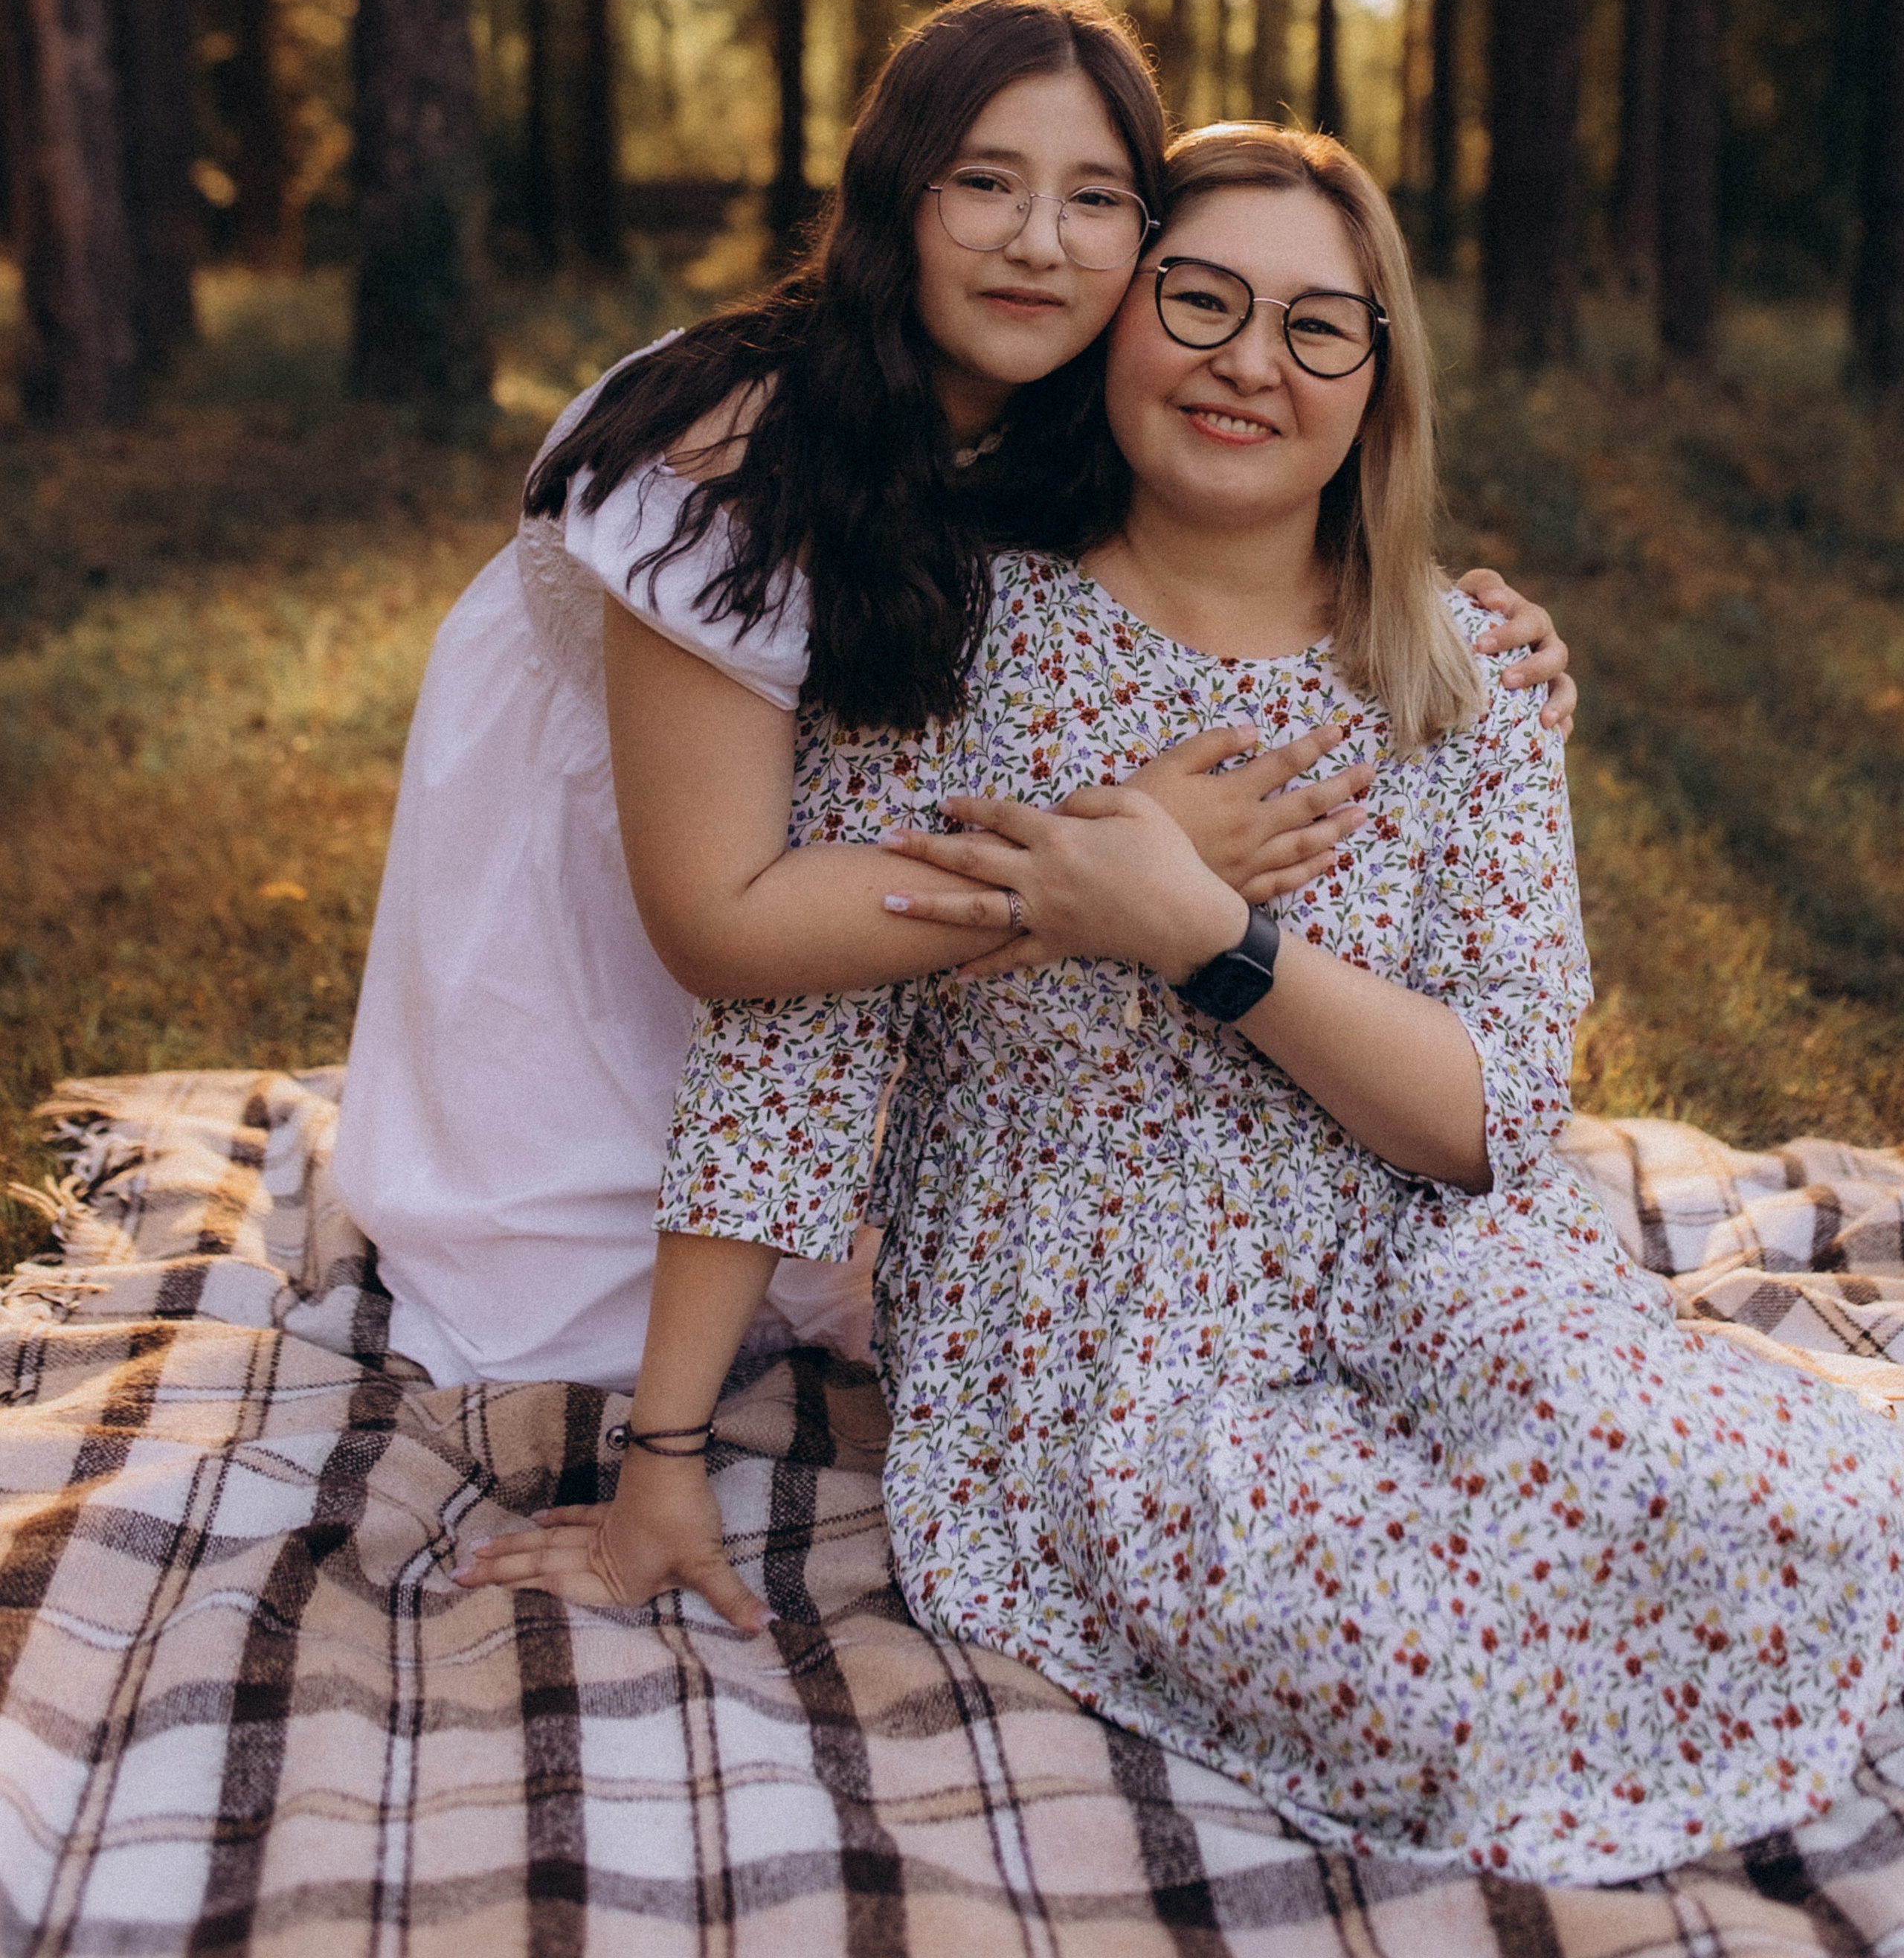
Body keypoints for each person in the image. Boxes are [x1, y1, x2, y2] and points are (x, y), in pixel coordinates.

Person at [464, 121, 1904, 1890]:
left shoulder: (1460, 670)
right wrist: (658, 1463)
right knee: (1414, 1668)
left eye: (1315, 327)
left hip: (1436, 1259)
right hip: (1103, 1324)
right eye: (1198, 300)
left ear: (1375, 385)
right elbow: (792, 1045)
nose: (1245, 362)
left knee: (1793, 1513)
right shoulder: (950, 632)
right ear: (1113, 332)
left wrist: (1199, 933)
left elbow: (1486, 1118)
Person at [335, 0, 1571, 1389]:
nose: (1038, 243)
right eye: (983, 182)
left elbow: (1256, 439)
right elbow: (719, 926)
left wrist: (1454, 634)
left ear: (1142, 248)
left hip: (848, 923)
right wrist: (1124, 868)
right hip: (615, 916)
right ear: (894, 193)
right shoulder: (734, 455)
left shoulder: (1041, 415)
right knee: (577, 1339)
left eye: (1096, 199)